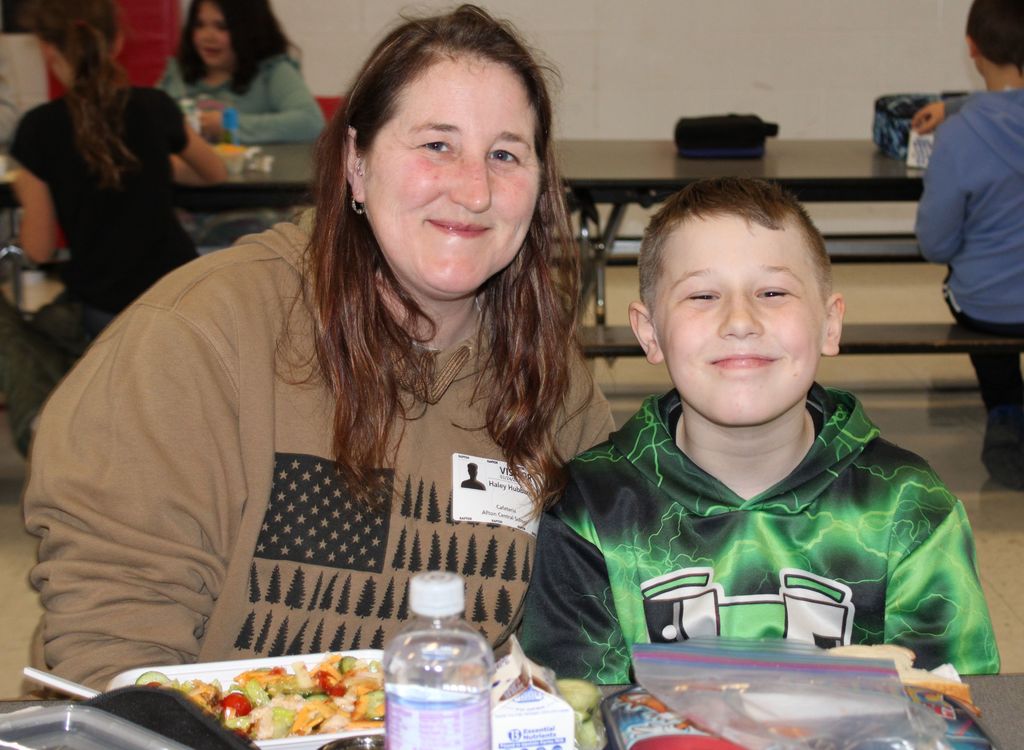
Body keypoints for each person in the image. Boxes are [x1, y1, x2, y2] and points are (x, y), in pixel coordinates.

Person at [23, 4, 613, 688]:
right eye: (436, 145)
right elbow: (113, 645)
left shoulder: (547, 379)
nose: (474, 189)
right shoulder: (196, 339)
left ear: (539, 190)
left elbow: (604, 597)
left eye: (505, 154)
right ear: (355, 167)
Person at [520, 177, 1000, 685]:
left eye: (772, 292)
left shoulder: (907, 504)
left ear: (830, 324)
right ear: (649, 333)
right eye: (703, 295)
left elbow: (952, 710)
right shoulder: (588, 512)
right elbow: (577, 719)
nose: (740, 320)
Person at [1, 0, 226, 456]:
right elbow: (214, 172)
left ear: (49, 52)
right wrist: (156, 166)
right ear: (118, 42)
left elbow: (40, 250)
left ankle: (42, 418)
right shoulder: (155, 107)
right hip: (178, 298)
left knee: (12, 321)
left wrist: (28, 193)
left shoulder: (40, 129)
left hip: (102, 308)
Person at [913, 0, 1024, 489]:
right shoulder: (960, 123)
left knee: (975, 289)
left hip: (990, 308)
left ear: (973, 48)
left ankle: (1006, 407)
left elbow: (935, 244)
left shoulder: (958, 139)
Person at [157, 0, 324, 144]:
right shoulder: (177, 71)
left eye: (221, 27)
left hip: (257, 180)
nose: (207, 36)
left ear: (249, 30)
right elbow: (146, 121)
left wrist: (230, 125)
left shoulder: (273, 71)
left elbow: (311, 122)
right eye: (199, 25)